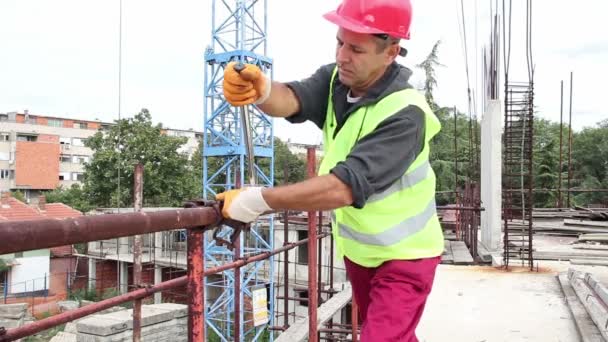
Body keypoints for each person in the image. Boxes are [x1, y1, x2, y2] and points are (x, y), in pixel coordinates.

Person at [216, 0, 444, 340]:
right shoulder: (337, 80)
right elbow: (292, 98)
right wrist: (261, 91)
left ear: (391, 52)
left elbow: (342, 188)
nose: (342, 56)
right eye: (340, 42)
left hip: (406, 257)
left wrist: (259, 200)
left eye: (356, 48)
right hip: (361, 253)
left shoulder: (406, 114)